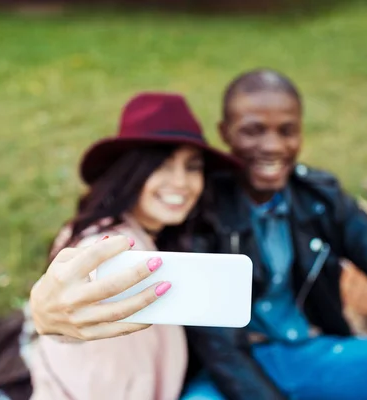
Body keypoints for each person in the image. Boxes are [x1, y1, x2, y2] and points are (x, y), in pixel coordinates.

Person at [181, 68, 367, 400]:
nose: (272, 146)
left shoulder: (319, 198)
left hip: (311, 355)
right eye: (253, 131)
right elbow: (221, 350)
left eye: (287, 131)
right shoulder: (201, 208)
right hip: (233, 368)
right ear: (225, 133)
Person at [29, 92, 240, 400]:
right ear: (132, 171)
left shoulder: (161, 232)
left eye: (192, 166)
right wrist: (47, 315)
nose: (181, 181)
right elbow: (74, 301)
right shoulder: (110, 247)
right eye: (163, 165)